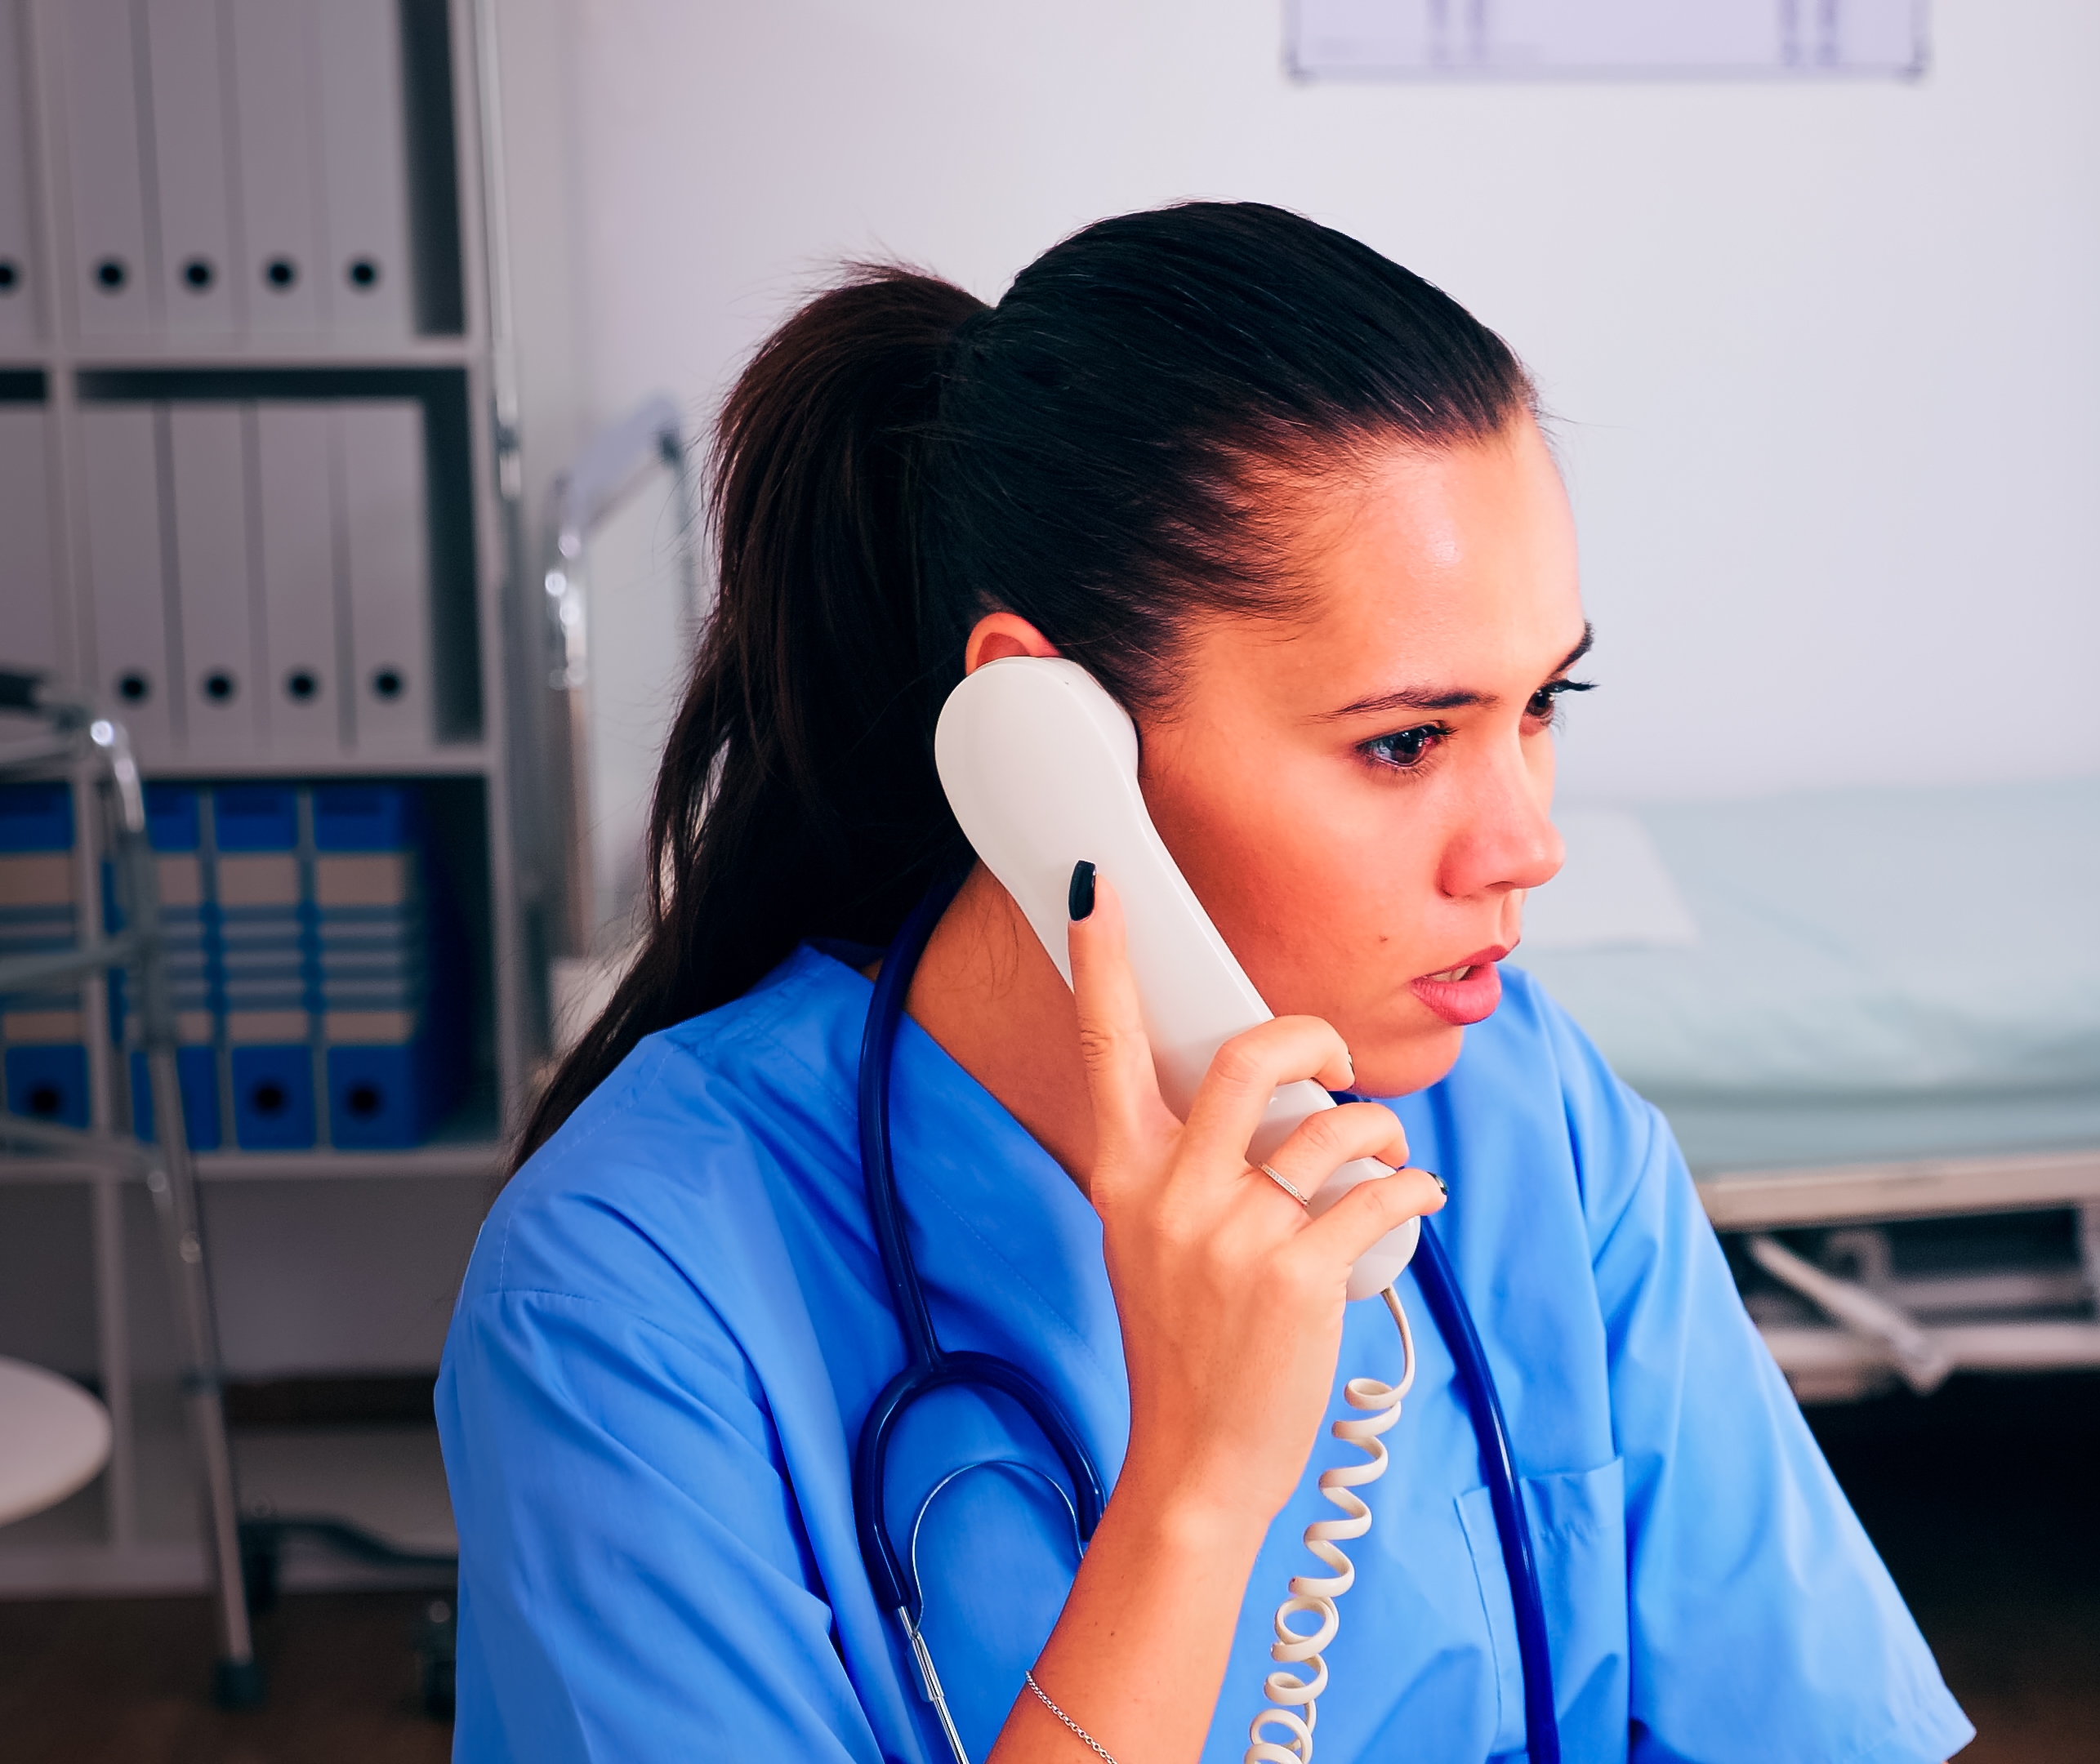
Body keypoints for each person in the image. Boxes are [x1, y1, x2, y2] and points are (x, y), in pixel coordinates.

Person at [437, 202, 1970, 1764]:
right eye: (1407, 741)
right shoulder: (627, 1293)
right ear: (1050, 749)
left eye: (1542, 705)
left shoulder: (1525, 1126)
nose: (1528, 845)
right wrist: (1196, 1496)